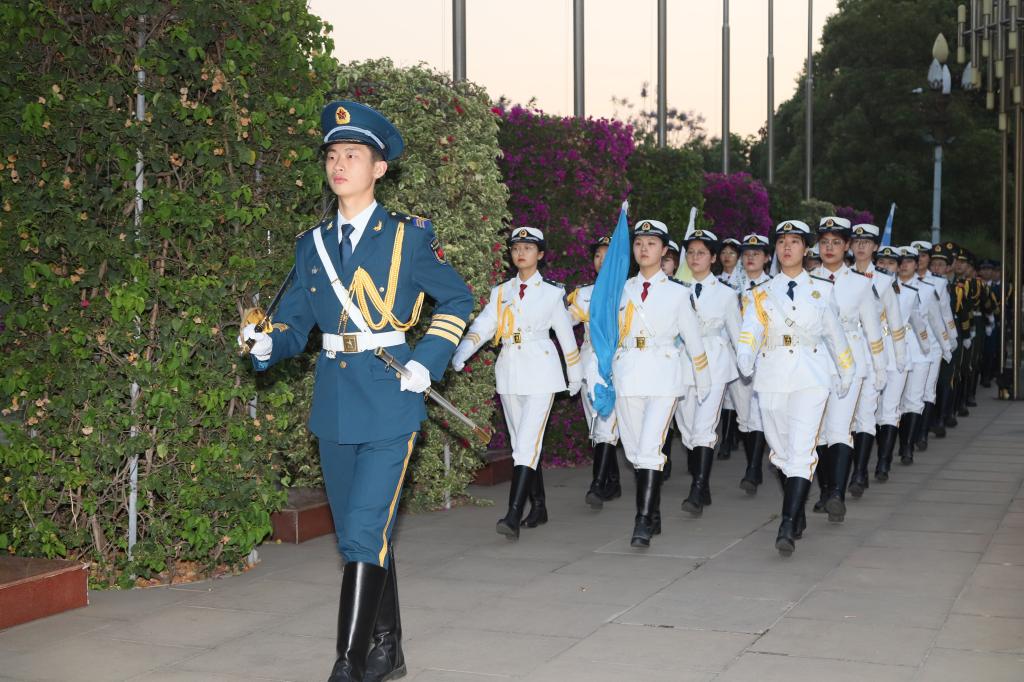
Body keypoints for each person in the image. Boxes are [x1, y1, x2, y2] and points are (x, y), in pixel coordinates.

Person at [240, 100, 474, 682]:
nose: (339, 164)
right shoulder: (311, 245)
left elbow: (458, 298)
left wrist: (428, 360)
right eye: (332, 155)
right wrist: (268, 344)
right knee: (357, 537)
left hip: (391, 398)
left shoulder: (408, 238)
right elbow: (295, 323)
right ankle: (387, 647)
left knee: (366, 530)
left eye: (353, 154)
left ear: (379, 168)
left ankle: (346, 664)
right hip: (335, 406)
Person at [451, 227, 582, 540]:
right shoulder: (502, 292)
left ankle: (512, 514)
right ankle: (539, 505)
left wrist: (575, 375)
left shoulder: (551, 293)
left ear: (540, 254)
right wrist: (462, 352)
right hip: (510, 371)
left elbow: (566, 338)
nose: (521, 253)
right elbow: (484, 326)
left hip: (541, 373)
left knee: (525, 445)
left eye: (528, 248)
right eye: (516, 248)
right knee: (523, 445)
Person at [736, 220, 855, 556]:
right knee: (781, 453)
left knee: (802, 451)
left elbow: (834, 334)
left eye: (794, 242)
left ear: (806, 249)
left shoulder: (822, 289)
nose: (787, 247)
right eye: (782, 242)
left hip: (810, 376)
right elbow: (750, 329)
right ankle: (797, 508)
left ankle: (787, 524)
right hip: (772, 376)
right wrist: (744, 356)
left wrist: (847, 369)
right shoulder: (760, 293)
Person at [592, 219, 711, 548]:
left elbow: (694, 340)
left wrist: (703, 381)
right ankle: (653, 511)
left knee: (649, 449)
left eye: (651, 244)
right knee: (634, 451)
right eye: (639, 243)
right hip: (627, 373)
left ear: (664, 251)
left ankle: (642, 520)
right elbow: (606, 334)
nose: (644, 249)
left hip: (663, 375)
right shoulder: (621, 289)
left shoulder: (678, 293)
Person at [809, 217, 887, 524]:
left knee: (840, 428)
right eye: (824, 242)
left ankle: (838, 494)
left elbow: (872, 330)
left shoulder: (860, 283)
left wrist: (879, 367)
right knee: (818, 432)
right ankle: (826, 488)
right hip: (816, 362)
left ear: (847, 247)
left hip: (850, 363)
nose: (829, 248)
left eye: (836, 243)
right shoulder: (807, 280)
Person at [675, 227, 741, 517]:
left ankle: (697, 488)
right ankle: (702, 485)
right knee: (688, 429)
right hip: (682, 362)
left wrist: (747, 364)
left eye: (701, 253)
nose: (695, 257)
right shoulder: (675, 289)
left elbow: (737, 334)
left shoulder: (726, 294)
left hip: (714, 362)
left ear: (713, 258)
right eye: (690, 252)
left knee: (704, 427)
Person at [847, 224, 907, 497]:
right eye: (856, 241)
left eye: (866, 242)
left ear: (874, 247)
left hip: (874, 354)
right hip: (846, 354)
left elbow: (895, 321)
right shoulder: (841, 277)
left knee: (866, 414)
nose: (861, 246)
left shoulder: (884, 281)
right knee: (843, 419)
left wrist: (900, 356)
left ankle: (860, 473)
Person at [567, 236, 622, 510]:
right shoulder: (584, 293)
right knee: (597, 422)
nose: (601, 261)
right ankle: (612, 480)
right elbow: (569, 319)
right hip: (590, 361)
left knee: (607, 423)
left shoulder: (629, 291)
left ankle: (598, 484)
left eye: (607, 255)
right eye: (597, 255)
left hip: (618, 362)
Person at [872, 246, 928, 481]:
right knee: (872, 411)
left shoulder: (908, 293)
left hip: (897, 356)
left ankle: (883, 462)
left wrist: (927, 348)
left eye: (891, 263)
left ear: (897, 268)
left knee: (891, 408)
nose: (885, 266)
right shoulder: (864, 289)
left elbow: (917, 321)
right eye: (882, 262)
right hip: (871, 355)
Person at [733, 233, 772, 495]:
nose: (750, 257)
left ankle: (753, 468)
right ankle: (753, 464)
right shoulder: (732, 287)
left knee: (758, 413)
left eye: (756, 254)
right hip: (737, 359)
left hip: (764, 357)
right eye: (746, 253)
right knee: (744, 416)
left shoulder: (774, 287)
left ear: (767, 258)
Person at [909, 240, 958, 451]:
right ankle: (908, 435)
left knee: (927, 390)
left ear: (928, 259)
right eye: (916, 255)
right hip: (908, 342)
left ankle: (922, 434)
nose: (919, 259)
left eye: (923, 255)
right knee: (909, 393)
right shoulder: (899, 280)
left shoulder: (937, 283)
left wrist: (951, 339)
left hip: (932, 343)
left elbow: (945, 313)